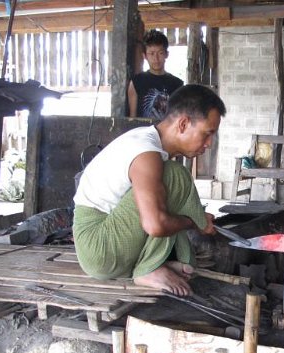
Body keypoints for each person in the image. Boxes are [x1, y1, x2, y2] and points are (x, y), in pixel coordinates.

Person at [73, 84, 225, 296]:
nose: (209, 143)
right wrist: (194, 221)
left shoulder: (148, 142)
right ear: (183, 124)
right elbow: (154, 225)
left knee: (168, 184)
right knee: (175, 176)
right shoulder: (147, 152)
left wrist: (195, 218)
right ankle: (148, 270)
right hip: (99, 247)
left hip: (106, 247)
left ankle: (150, 263)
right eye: (207, 133)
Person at [127, 29, 184, 119]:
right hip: (143, 132)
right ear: (145, 56)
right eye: (151, 54)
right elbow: (132, 118)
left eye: (160, 53)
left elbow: (179, 118)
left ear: (166, 54)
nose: (156, 58)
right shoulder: (136, 83)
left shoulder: (177, 84)